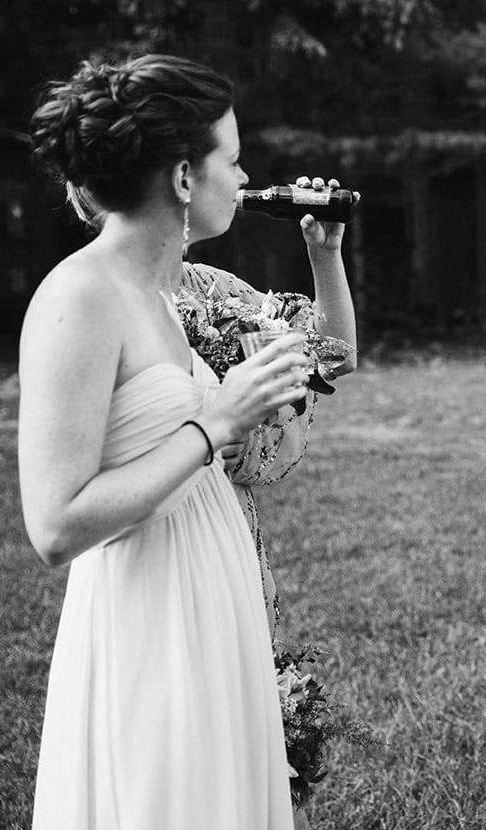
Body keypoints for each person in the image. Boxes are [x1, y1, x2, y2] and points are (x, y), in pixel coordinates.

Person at [20, 54, 309, 829]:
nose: (246, 177)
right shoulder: (79, 297)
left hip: (213, 594)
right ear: (185, 178)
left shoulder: (162, 293)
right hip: (151, 617)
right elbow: (54, 526)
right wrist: (217, 423)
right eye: (235, 159)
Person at [182, 174, 358, 636]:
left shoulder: (210, 288)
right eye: (232, 160)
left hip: (230, 524)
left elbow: (335, 352)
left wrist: (325, 254)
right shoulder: (111, 299)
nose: (242, 178)